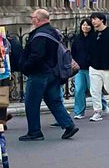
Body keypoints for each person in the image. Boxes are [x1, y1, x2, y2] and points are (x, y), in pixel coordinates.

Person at [19, 9, 78, 141]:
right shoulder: (53, 32)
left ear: (38, 19)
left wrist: (25, 67)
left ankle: (35, 132)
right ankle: (69, 125)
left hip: (39, 74)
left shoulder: (40, 35)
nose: (32, 19)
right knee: (54, 101)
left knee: (32, 103)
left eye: (33, 17)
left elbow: (37, 56)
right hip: (53, 73)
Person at [71, 18, 108, 119]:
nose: (85, 27)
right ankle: (79, 111)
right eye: (83, 25)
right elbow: (73, 52)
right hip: (79, 68)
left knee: (94, 90)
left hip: (91, 68)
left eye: (87, 25)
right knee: (78, 90)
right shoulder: (77, 39)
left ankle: (103, 104)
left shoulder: (94, 38)